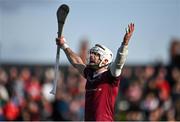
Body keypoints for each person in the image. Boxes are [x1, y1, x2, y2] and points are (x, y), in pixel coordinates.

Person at [56, 23, 135, 121]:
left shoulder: (111, 76)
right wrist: (64, 45)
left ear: (105, 60)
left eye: (96, 54)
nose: (92, 56)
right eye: (92, 53)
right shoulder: (90, 75)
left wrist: (125, 44)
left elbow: (119, 62)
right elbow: (77, 62)